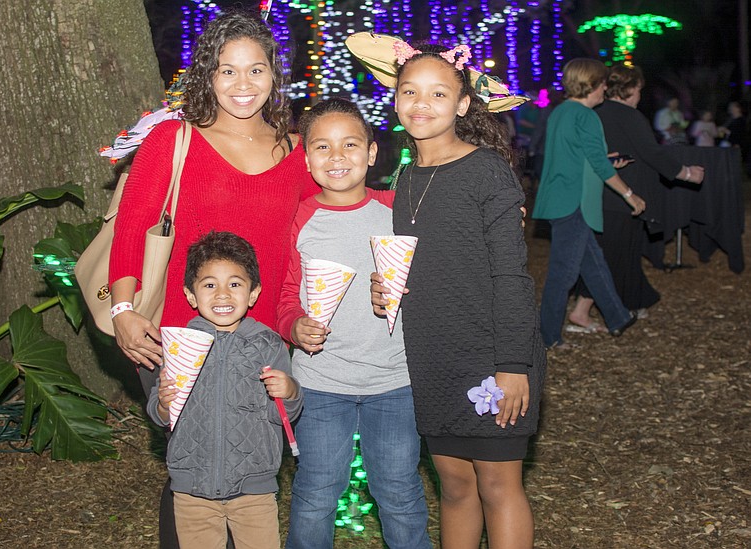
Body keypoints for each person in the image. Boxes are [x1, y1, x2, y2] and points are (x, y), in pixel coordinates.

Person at [106, 11, 318, 547]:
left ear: (274, 75)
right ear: (208, 76)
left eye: (256, 70)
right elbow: (130, 232)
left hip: (262, 340)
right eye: (227, 71)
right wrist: (123, 311)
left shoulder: (295, 151)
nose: (242, 85)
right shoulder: (172, 142)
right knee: (194, 464)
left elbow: (330, 216)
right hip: (181, 338)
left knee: (250, 466)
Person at [367, 42, 546, 548]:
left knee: (497, 484)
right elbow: (422, 263)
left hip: (493, 354)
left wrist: (512, 364)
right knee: (455, 485)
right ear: (396, 99)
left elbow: (512, 275)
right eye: (410, 92)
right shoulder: (404, 179)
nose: (421, 104)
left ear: (462, 105)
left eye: (437, 94)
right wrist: (387, 289)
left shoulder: (486, 170)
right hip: (433, 357)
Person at [276, 98, 431, 549]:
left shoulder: (397, 210)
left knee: (399, 491)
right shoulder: (300, 219)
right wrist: (294, 325)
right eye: (322, 147)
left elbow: (436, 273)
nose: (337, 156)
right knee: (317, 492)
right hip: (322, 381)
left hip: (395, 381)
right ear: (306, 159)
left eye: (349, 145)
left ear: (371, 152)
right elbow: (286, 294)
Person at [147, 231, 302, 549]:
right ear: (191, 295)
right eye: (209, 285)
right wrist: (163, 404)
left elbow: (281, 414)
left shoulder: (267, 344)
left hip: (254, 487)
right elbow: (160, 414)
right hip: (192, 488)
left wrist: (289, 392)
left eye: (234, 284)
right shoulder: (180, 343)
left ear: (253, 292)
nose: (222, 295)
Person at [568, 65, 704, 329]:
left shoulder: (595, 112)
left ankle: (632, 300)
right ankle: (581, 311)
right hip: (620, 196)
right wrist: (687, 173)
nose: (640, 95)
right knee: (612, 253)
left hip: (600, 195)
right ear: (629, 89)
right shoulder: (629, 116)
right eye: (639, 89)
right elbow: (652, 153)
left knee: (624, 250)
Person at [531, 58, 644, 349]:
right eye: (603, 83)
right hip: (575, 202)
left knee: (594, 264)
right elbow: (600, 167)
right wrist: (630, 195)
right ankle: (549, 336)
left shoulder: (560, 112)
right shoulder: (587, 116)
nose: (606, 88)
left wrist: (604, 160)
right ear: (592, 85)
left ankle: (618, 317)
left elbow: (575, 156)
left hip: (559, 198)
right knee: (563, 274)